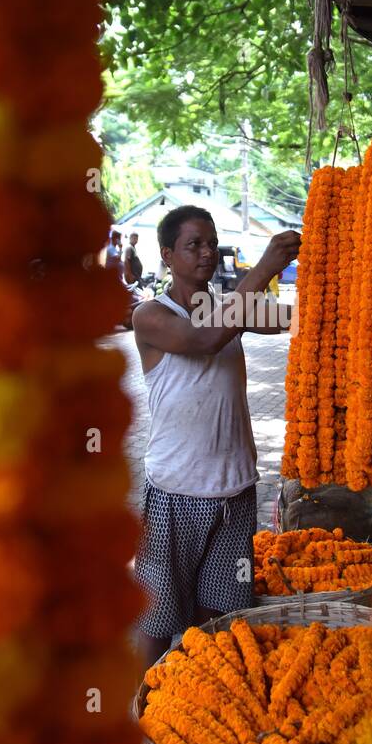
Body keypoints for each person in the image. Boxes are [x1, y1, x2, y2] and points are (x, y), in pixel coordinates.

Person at [131, 206, 300, 667]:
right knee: (158, 620)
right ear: (167, 255)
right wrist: (265, 268)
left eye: (211, 243)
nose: (207, 252)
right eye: (194, 245)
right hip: (177, 491)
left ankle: (196, 697)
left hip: (235, 489)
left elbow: (290, 318)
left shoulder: (229, 308)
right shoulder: (150, 316)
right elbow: (202, 339)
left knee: (218, 616)